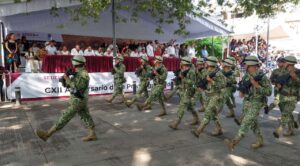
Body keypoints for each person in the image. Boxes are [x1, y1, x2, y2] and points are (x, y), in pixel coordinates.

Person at [35, 55, 97, 142]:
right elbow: (70, 85)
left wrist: (67, 79)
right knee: (85, 116)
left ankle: (47, 134)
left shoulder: (83, 74)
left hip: (78, 101)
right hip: (79, 100)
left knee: (65, 116)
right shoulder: (78, 73)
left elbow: (77, 88)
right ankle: (92, 134)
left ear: (75, 63)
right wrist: (64, 80)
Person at [225, 56, 272, 151]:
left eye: (247, 64)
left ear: (252, 65)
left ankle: (234, 142)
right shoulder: (247, 75)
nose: (245, 66)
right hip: (247, 102)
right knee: (253, 123)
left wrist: (257, 85)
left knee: (246, 122)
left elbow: (269, 92)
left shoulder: (262, 77)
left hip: (257, 102)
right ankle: (260, 140)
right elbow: (243, 87)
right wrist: (242, 91)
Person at [191, 56, 226, 137]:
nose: (205, 64)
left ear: (210, 63)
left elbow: (223, 85)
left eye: (206, 62)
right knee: (213, 114)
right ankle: (219, 129)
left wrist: (212, 81)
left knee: (207, 113)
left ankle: (198, 131)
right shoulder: (207, 71)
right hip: (208, 95)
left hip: (216, 96)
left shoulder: (219, 73)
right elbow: (204, 81)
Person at [272, 55, 300, 138]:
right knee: (288, 114)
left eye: (284, 62)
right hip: (283, 96)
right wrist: (278, 85)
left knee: (286, 113)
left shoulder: (298, 72)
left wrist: (296, 78)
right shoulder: (283, 72)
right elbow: (276, 81)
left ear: (290, 64)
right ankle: (291, 129)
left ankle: (280, 128)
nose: (282, 64)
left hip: (293, 97)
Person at [169, 57, 199, 130]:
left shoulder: (191, 71)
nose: (181, 63)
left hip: (189, 91)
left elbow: (192, 82)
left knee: (182, 106)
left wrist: (183, 78)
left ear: (185, 63)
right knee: (189, 106)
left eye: (182, 62)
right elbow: (181, 79)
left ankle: (176, 123)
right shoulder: (183, 70)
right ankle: (196, 118)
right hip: (184, 90)